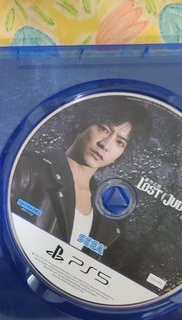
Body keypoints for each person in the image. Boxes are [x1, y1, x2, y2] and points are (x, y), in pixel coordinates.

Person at [9, 96, 151, 257]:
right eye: (104, 129)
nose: (106, 145)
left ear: (121, 154)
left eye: (120, 142)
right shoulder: (27, 169)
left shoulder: (107, 220)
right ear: (82, 124)